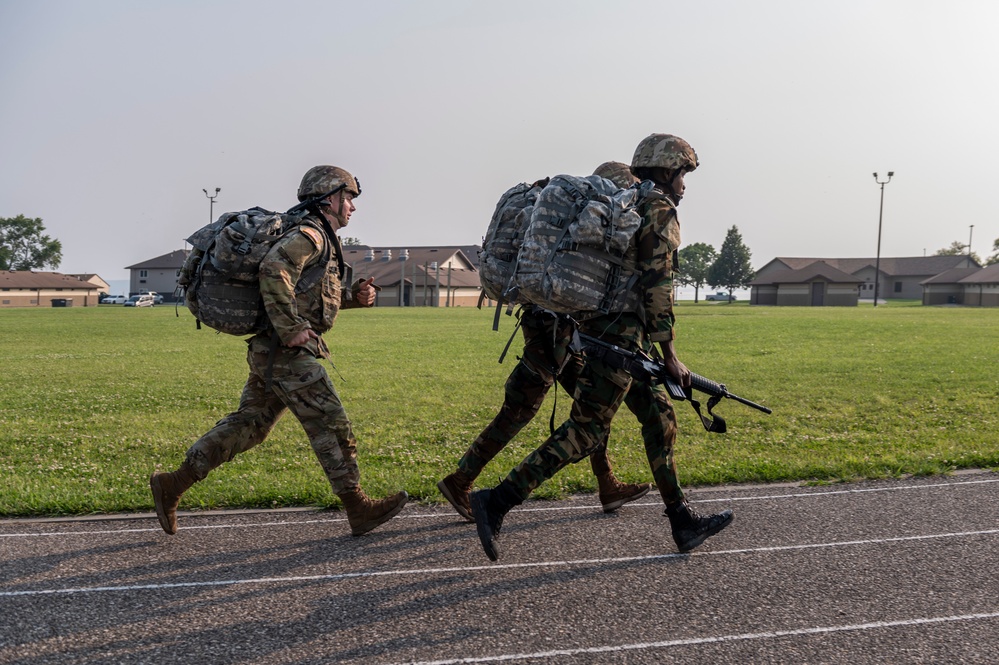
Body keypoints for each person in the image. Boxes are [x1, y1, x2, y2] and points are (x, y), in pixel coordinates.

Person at [470, 136, 734, 561]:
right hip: (621, 338)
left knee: (661, 417)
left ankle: (681, 520)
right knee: (586, 431)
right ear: (667, 170)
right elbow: (657, 286)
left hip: (604, 330)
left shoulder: (627, 200)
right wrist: (669, 356)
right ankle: (496, 501)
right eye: (683, 173)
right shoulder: (659, 208)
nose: (685, 183)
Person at [150, 166, 408, 537]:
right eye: (349, 198)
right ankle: (358, 507)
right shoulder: (310, 234)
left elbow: (308, 296)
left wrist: (353, 299)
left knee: (251, 425)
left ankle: (173, 483)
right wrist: (292, 330)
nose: (352, 207)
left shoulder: (311, 234)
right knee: (330, 422)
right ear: (330, 198)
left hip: (269, 350)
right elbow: (274, 270)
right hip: (286, 353)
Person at [437, 302, 651, 522]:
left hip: (564, 330)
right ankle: (459, 481)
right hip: (551, 330)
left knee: (594, 406)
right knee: (518, 412)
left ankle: (607, 484)